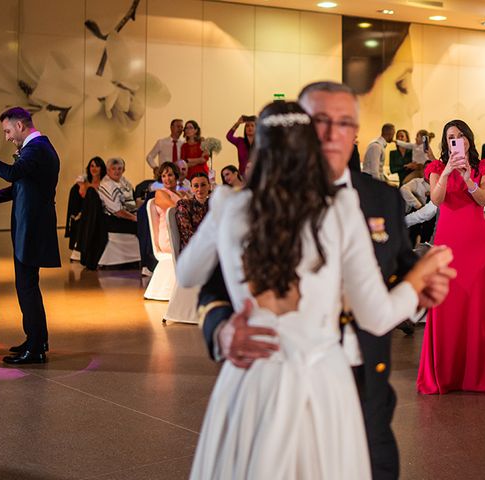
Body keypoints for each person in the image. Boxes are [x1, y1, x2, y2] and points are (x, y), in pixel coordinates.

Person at [185, 81, 455, 480]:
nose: (332, 133)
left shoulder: (379, 198)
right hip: (278, 369)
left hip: (361, 389)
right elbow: (210, 287)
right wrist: (222, 331)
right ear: (298, 130)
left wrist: (419, 293)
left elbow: (395, 272)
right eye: (320, 122)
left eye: (345, 123)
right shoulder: (265, 204)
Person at [417, 119, 485, 394]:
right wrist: (447, 172)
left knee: (475, 309)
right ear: (446, 143)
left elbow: (484, 200)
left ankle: (475, 374)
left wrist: (469, 179)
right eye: (451, 137)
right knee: (446, 305)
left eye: (460, 136)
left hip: (476, 246)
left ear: (469, 139)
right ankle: (445, 374)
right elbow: (436, 200)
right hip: (447, 245)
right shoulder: (436, 168)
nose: (456, 140)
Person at [0, 107, 60, 364]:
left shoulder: (37, 149)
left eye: (8, 131)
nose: (7, 137)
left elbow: (11, 173)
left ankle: (36, 349)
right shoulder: (37, 149)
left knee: (27, 287)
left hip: (31, 230)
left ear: (20, 126)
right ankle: (36, 339)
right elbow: (16, 188)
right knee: (28, 285)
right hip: (30, 228)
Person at [98, 157, 137, 235]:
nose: (117, 171)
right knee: (144, 227)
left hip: (128, 217)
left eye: (119, 169)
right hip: (115, 222)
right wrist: (135, 218)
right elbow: (118, 212)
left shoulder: (123, 180)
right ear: (108, 170)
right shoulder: (107, 185)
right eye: (114, 169)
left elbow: (133, 200)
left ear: (123, 170)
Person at [154, 161, 186, 253]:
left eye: (170, 175)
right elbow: (176, 210)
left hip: (181, 234)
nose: (167, 179)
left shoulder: (182, 193)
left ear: (176, 176)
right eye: (163, 176)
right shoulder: (160, 193)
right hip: (171, 237)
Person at [175, 173, 210, 250]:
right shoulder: (184, 205)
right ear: (191, 188)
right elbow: (187, 234)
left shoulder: (215, 204)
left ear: (209, 186)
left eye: (203, 185)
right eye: (196, 186)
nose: (200, 189)